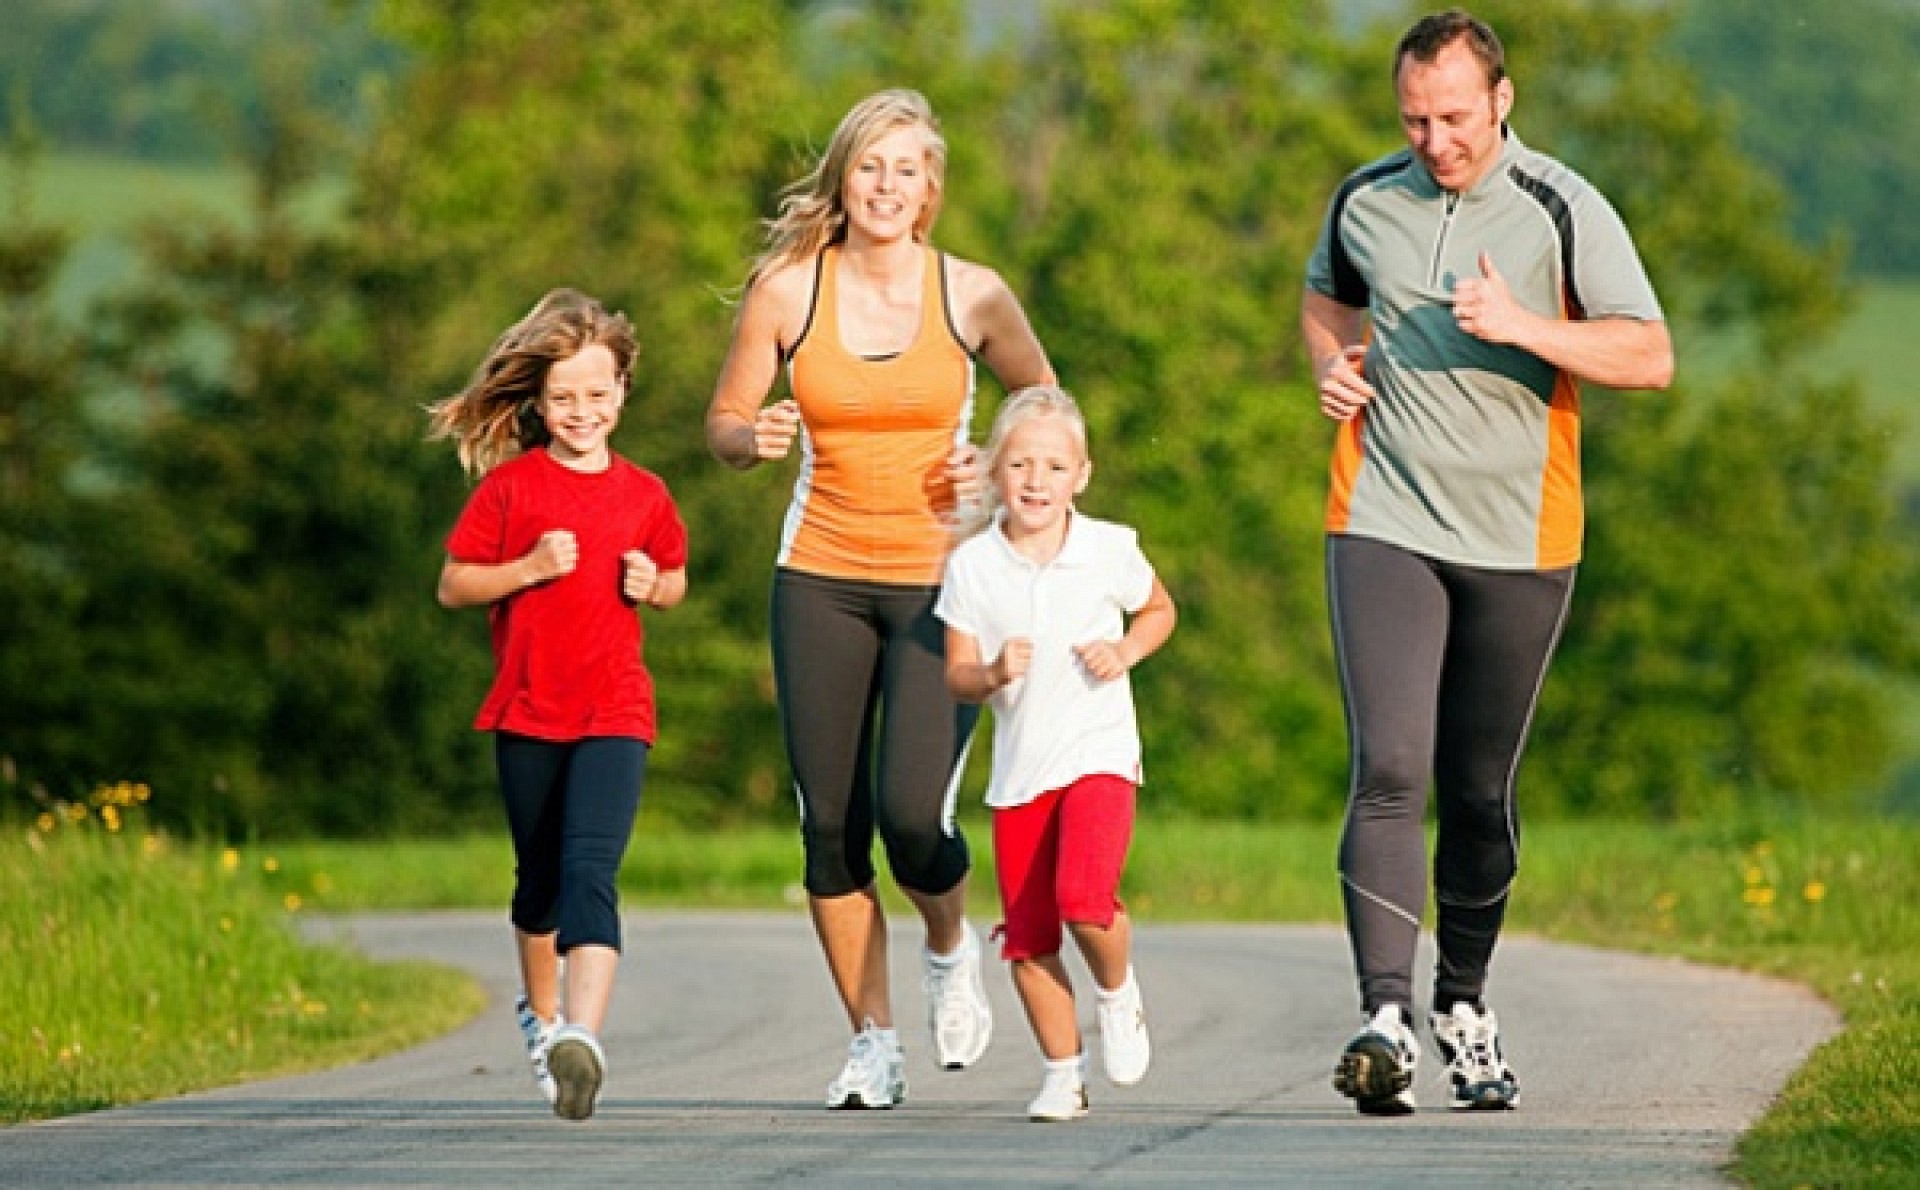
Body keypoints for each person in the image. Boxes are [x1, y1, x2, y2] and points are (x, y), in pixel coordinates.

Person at [1300, 8, 1673, 1116]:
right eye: (1415, 119)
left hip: (1521, 536)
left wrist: (1524, 326)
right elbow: (1326, 295)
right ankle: (1384, 1020)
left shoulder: (1563, 206)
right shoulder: (1366, 198)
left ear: (1501, 101)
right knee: (1388, 766)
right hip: (1384, 516)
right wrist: (1330, 364)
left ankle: (1462, 1003)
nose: (1435, 141)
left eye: (1455, 118)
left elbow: (1649, 353)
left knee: (1475, 791)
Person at [705, 87, 1055, 1110]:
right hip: (818, 576)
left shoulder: (973, 295)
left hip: (944, 587)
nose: (887, 186)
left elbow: (1046, 409)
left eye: (907, 170)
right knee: (829, 826)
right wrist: (752, 438)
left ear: (930, 189)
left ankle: (948, 943)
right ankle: (873, 1041)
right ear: (843, 178)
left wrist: (997, 469)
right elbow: (724, 418)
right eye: (870, 166)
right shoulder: (787, 291)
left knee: (911, 816)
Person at [429, 288, 690, 1121]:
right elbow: (454, 585)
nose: (583, 411)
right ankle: (543, 1021)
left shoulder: (645, 493)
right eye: (565, 396)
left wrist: (655, 585)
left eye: (597, 393)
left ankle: (582, 1037)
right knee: (539, 883)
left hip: (616, 712)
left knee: (589, 873)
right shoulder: (512, 491)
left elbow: (675, 577)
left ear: (622, 391)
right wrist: (528, 570)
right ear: (540, 404)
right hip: (529, 711)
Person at [935, 386, 1177, 1123]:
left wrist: (1125, 650)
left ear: (1082, 475)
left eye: (1054, 467)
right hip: (1020, 774)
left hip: (1100, 752)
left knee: (1084, 898)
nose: (1035, 481)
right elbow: (956, 675)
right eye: (1019, 465)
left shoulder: (1109, 548)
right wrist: (991, 673)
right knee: (1029, 936)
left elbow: (1159, 609)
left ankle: (1117, 993)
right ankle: (1062, 1072)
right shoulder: (972, 565)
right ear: (994, 472)